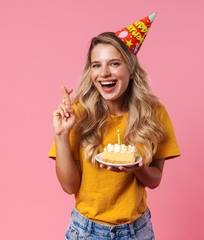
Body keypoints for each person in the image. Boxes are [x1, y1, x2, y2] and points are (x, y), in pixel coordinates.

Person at [49, 14, 180, 240]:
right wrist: (61, 135)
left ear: (130, 70)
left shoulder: (155, 113)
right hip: (86, 231)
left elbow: (155, 180)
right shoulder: (78, 114)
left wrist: (138, 167)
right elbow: (69, 187)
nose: (104, 73)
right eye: (96, 65)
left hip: (137, 231)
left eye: (115, 63)